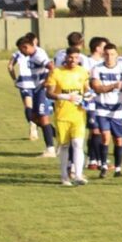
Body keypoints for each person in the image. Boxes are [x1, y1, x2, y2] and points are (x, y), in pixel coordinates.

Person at [45, 47, 91, 186]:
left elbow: (87, 88)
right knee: (64, 146)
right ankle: (64, 176)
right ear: (66, 57)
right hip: (62, 115)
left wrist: (88, 96)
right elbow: (49, 93)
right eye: (71, 57)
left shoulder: (82, 72)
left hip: (78, 114)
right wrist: (63, 96)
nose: (73, 60)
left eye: (76, 58)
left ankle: (77, 175)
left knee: (78, 144)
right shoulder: (56, 72)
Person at [15, 36, 57, 155]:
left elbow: (51, 67)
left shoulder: (38, 55)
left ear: (25, 47)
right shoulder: (32, 56)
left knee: (43, 118)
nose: (21, 53)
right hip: (36, 89)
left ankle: (50, 149)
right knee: (33, 117)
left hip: (42, 90)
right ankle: (59, 136)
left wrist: (46, 82)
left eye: (21, 50)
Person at [90, 43, 122, 178]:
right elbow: (97, 88)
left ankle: (117, 169)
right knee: (105, 137)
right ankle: (103, 165)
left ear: (117, 54)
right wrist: (114, 85)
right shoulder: (97, 69)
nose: (109, 57)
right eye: (107, 54)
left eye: (112, 54)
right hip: (102, 108)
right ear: (103, 55)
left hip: (118, 108)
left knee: (118, 140)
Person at [7, 37, 39, 140]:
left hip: (24, 82)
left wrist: (14, 79)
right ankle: (36, 124)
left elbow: (10, 66)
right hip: (37, 83)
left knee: (28, 106)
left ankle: (32, 125)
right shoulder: (39, 52)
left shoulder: (17, 53)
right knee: (36, 107)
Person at [85, 36, 109, 170]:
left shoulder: (104, 62)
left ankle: (92, 159)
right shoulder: (87, 61)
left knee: (95, 131)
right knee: (95, 130)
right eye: (104, 47)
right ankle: (97, 160)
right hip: (90, 99)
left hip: (103, 100)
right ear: (98, 48)